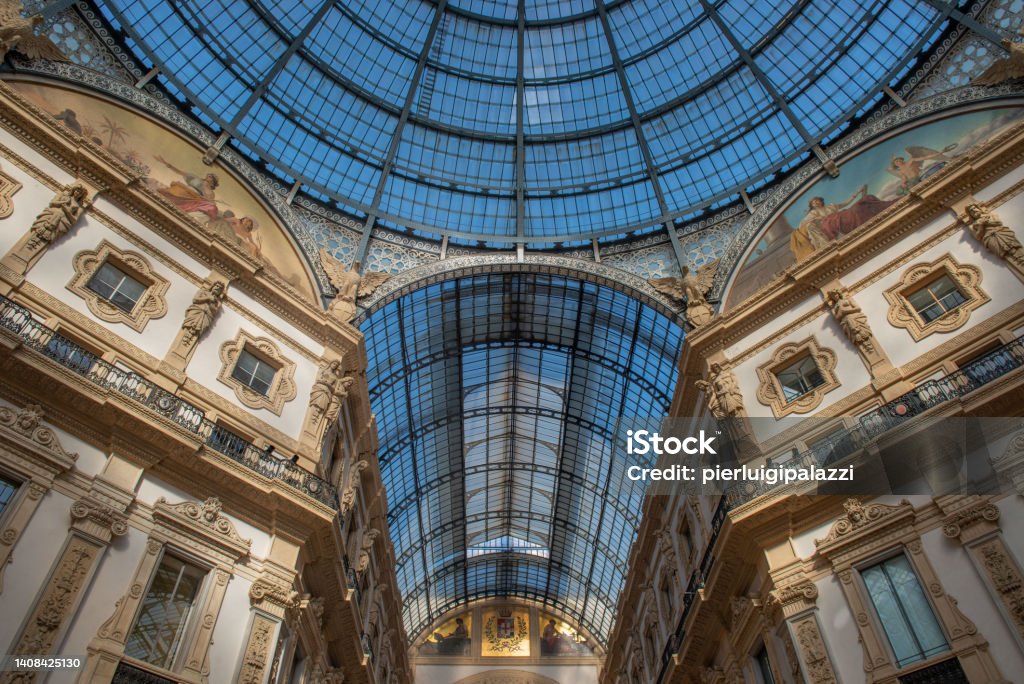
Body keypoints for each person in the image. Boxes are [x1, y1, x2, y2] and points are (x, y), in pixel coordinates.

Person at [153, 155, 220, 219]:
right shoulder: (196, 178)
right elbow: (179, 172)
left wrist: (204, 187)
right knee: (175, 192)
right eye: (208, 175)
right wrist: (165, 163)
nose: (207, 177)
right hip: (185, 190)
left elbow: (206, 201)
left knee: (212, 207)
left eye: (210, 177)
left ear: (213, 182)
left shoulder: (211, 192)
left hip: (195, 198)